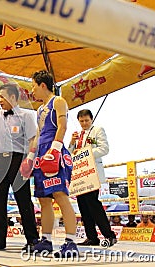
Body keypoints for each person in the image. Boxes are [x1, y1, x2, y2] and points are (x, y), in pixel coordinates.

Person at [0, 83, 39, 252]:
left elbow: (33, 138)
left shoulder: (26, 115)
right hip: (1, 161)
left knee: (23, 200)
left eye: (2, 97)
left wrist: (29, 159)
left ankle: (32, 239)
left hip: (19, 159)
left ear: (12, 97)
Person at [27, 70, 78, 257]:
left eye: (33, 86)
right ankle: (46, 240)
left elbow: (63, 126)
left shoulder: (59, 101)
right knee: (43, 199)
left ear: (42, 85)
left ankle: (71, 242)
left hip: (54, 152)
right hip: (41, 154)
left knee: (60, 195)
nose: (32, 90)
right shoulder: (39, 110)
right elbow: (39, 135)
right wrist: (30, 157)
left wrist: (55, 149)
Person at [68, 109, 117, 247]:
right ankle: (91, 237)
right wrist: (72, 143)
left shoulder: (97, 130)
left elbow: (104, 149)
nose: (84, 123)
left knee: (93, 205)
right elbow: (69, 153)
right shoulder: (78, 135)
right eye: (81, 121)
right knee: (83, 206)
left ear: (91, 119)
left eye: (86, 120)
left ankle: (109, 235)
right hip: (79, 176)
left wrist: (85, 152)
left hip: (92, 173)